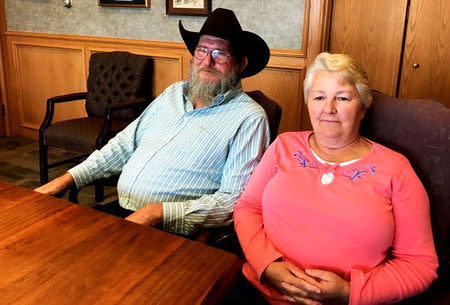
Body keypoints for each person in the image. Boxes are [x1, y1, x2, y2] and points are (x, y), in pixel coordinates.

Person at [35, 8, 271, 236]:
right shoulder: (173, 93)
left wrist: (159, 212)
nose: (207, 61)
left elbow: (233, 200)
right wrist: (66, 179)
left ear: (240, 64)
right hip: (124, 211)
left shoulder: (249, 118)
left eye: (220, 53)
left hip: (170, 230)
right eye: (202, 50)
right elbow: (123, 146)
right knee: (52, 240)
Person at [233, 52, 438, 305]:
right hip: (259, 292)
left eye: (342, 98)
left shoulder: (396, 169)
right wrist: (267, 265)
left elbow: (419, 264)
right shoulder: (283, 146)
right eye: (319, 97)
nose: (328, 109)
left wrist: (349, 293)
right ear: (309, 102)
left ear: (363, 107)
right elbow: (247, 208)